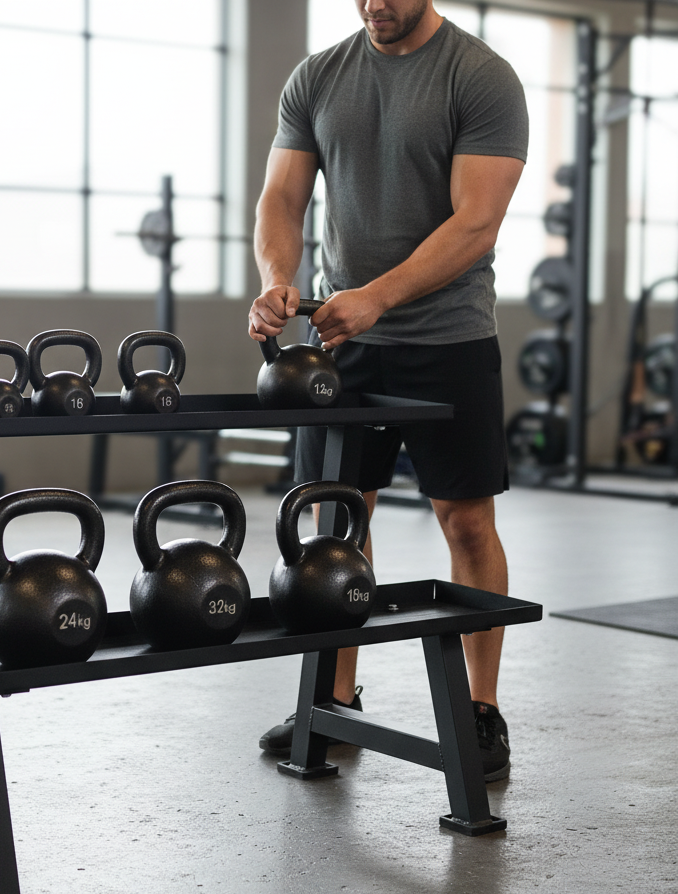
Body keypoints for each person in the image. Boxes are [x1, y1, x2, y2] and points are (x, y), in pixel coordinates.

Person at [249, 0, 528, 781]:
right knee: (333, 522)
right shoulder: (318, 77)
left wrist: (380, 295)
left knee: (466, 522)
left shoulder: (480, 78)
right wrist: (279, 280)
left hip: (450, 339)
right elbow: (281, 197)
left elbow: (478, 222)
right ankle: (334, 704)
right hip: (342, 339)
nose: (374, 5)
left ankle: (481, 711)